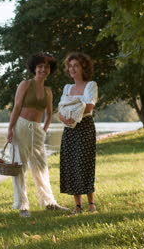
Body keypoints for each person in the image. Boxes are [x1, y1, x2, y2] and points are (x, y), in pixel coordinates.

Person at [7, 52, 68, 217]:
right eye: (40, 66)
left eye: (47, 67)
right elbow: (17, 107)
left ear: (50, 70)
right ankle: (22, 206)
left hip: (37, 129)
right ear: (34, 68)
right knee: (19, 167)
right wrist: (10, 129)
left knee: (41, 166)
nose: (43, 69)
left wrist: (44, 130)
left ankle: (49, 202)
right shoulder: (25, 84)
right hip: (21, 126)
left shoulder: (48, 91)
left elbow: (49, 114)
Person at [58, 52, 98, 214]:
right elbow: (61, 109)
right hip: (69, 129)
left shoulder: (91, 85)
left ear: (83, 67)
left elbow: (89, 106)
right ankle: (77, 205)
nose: (72, 69)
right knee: (71, 164)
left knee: (84, 163)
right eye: (70, 66)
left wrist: (72, 111)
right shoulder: (67, 88)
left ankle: (91, 203)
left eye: (76, 65)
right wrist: (64, 118)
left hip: (85, 126)